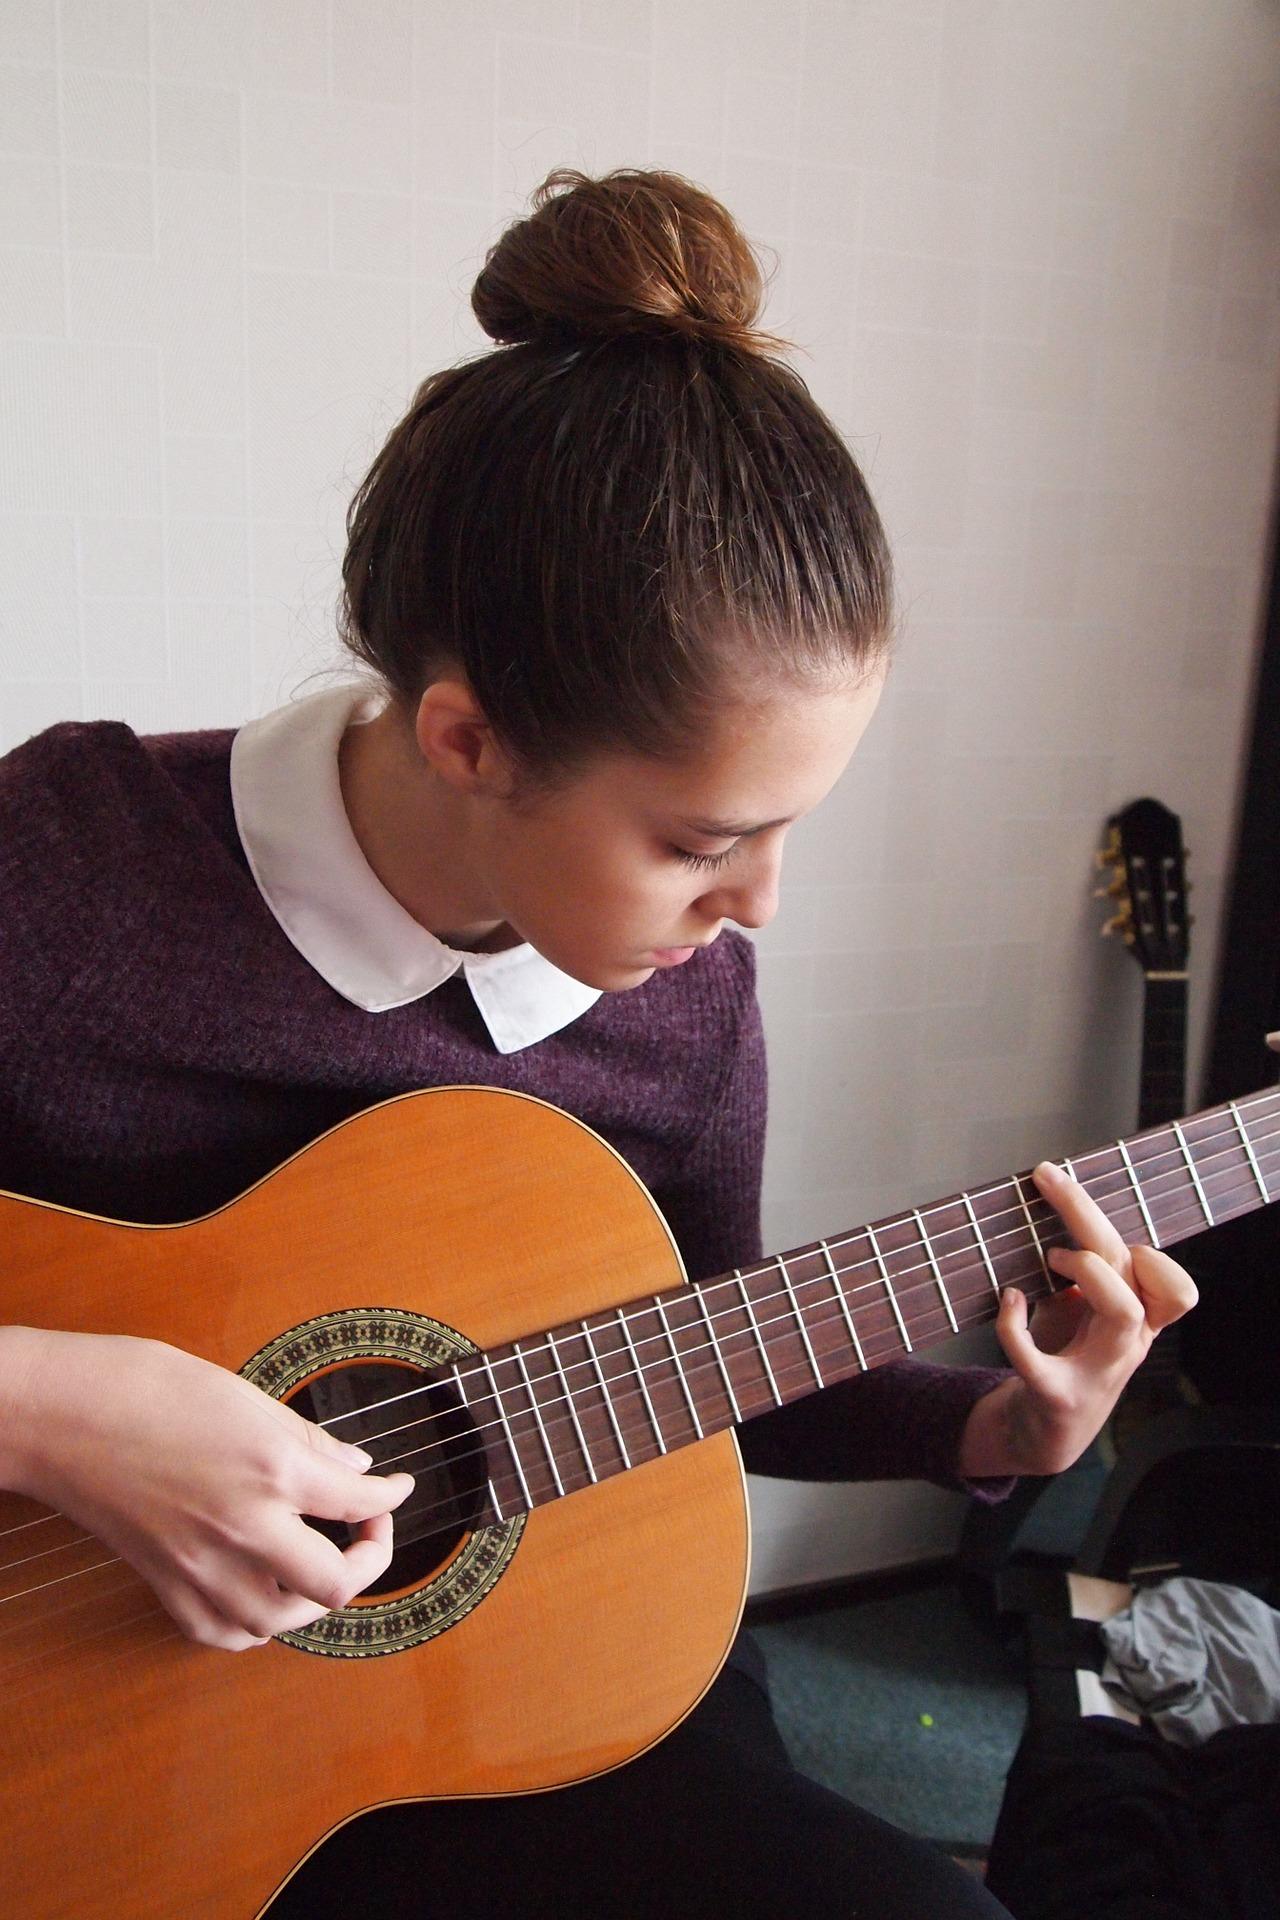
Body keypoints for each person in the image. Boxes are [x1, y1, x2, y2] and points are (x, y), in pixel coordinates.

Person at [0, 167, 1196, 1918]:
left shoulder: (682, 985)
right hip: (97, 1716)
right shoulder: (71, 866)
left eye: (792, 831)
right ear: (469, 737)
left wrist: (1001, 1436)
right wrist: (55, 1408)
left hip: (520, 1670)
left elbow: (691, 1350)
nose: (761, 909)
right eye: (702, 842)